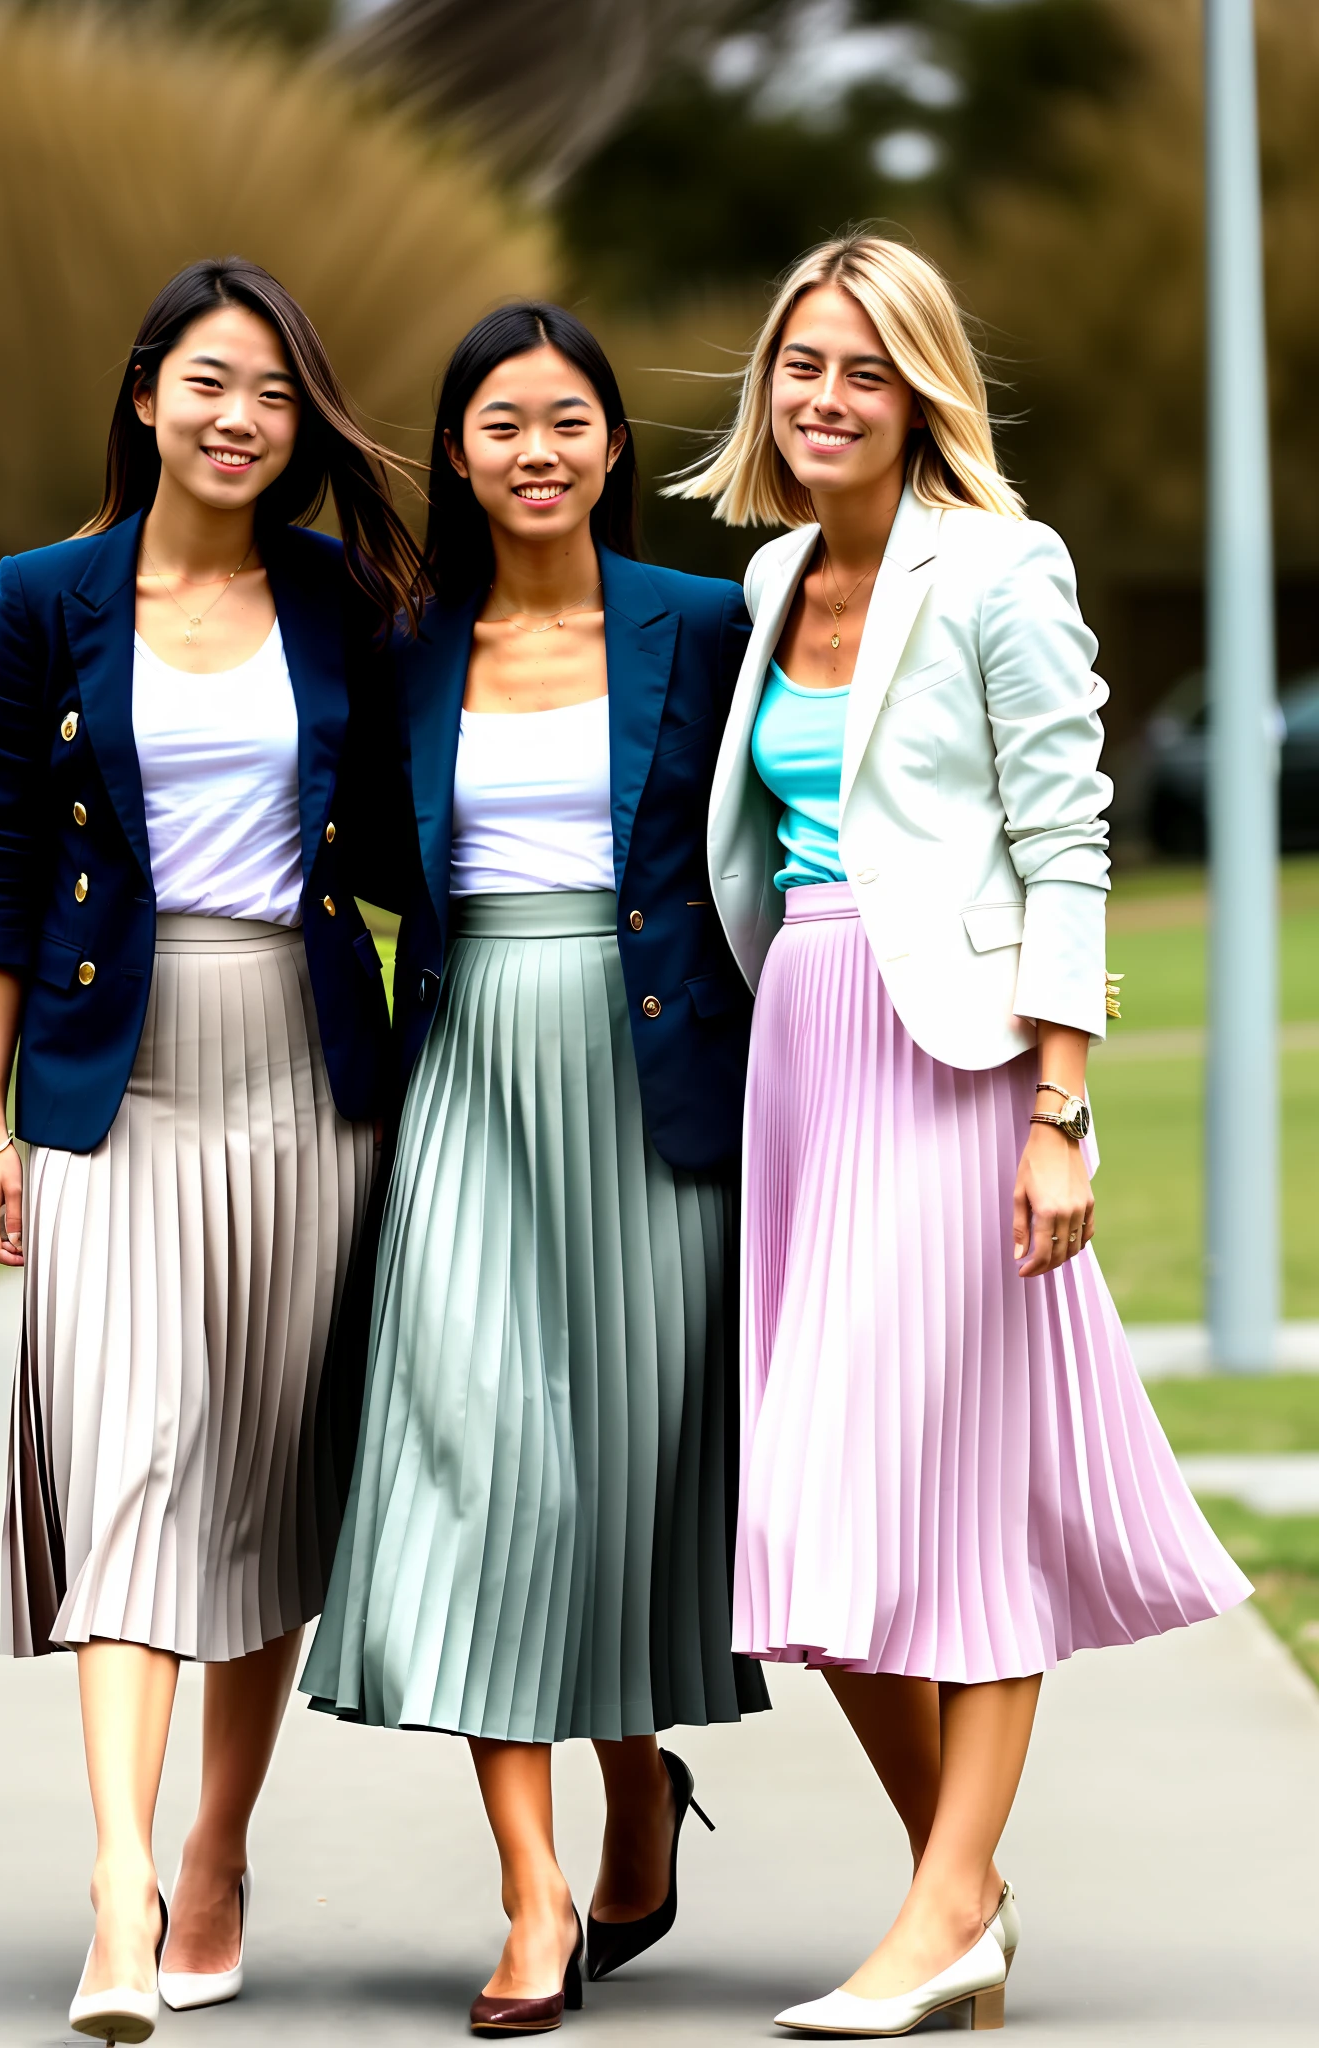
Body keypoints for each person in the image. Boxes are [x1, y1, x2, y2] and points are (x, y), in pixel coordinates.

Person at [675, 234, 1251, 2037]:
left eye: (866, 368)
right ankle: (966, 1889)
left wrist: (1061, 1110)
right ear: (769, 388)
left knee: (950, 1496)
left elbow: (1067, 841)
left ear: (924, 390)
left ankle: (936, 1915)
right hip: (807, 1054)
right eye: (801, 366)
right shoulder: (770, 576)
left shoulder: (1003, 566)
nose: (827, 398)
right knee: (815, 1522)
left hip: (959, 1065)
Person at [0, 256, 419, 2044]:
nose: (242, 418)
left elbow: (403, 832)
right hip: (109, 1079)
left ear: (300, 426)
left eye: (277, 395)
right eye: (212, 383)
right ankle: (121, 1885)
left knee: (264, 1467)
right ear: (147, 389)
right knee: (134, 1456)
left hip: (306, 1069)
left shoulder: (341, 595)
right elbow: (1, 859)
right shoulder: (44, 598)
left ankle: (221, 1842)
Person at [301, 303, 770, 2035]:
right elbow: (344, 837)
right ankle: (531, 1891)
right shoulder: (406, 643)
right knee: (476, 1462)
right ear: (460, 450)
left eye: (567, 419)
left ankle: (638, 1776)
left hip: (655, 1080)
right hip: (471, 1069)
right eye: (502, 424)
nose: (538, 451)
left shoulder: (707, 624)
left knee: (626, 1476)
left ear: (613, 445)